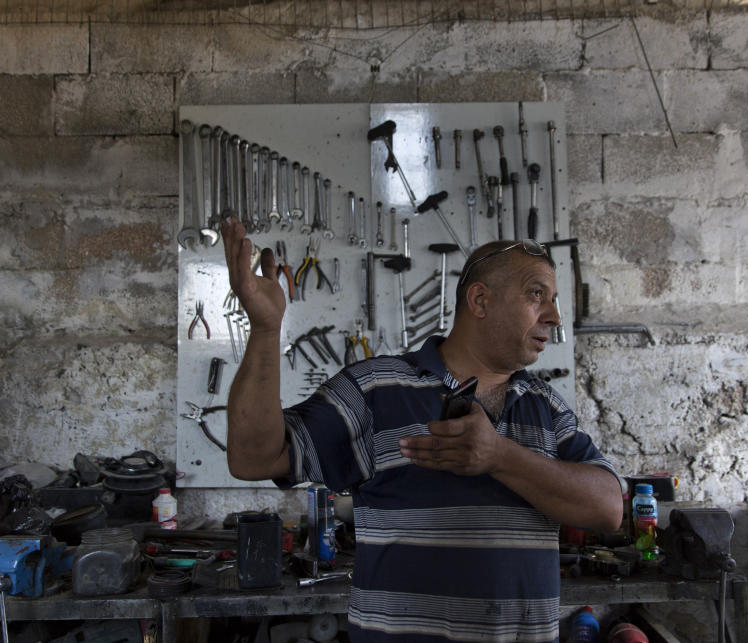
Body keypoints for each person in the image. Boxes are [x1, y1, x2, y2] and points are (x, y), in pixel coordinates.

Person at [221, 217, 624, 643]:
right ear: (480, 300)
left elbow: (608, 508)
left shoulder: (546, 406)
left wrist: (500, 457)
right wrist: (264, 330)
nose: (554, 316)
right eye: (536, 294)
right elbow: (253, 458)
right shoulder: (376, 389)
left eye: (553, 299)